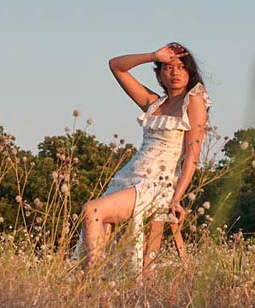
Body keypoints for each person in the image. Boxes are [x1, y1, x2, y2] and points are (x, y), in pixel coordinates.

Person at [78, 43, 211, 273]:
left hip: (157, 184)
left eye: (181, 67)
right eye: (168, 67)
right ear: (159, 74)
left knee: (92, 210)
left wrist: (176, 198)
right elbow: (116, 66)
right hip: (128, 177)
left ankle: (92, 279)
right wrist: (153, 56)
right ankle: (98, 288)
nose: (175, 72)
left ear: (190, 72)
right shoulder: (153, 102)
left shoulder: (194, 100)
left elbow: (192, 155)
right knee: (100, 228)